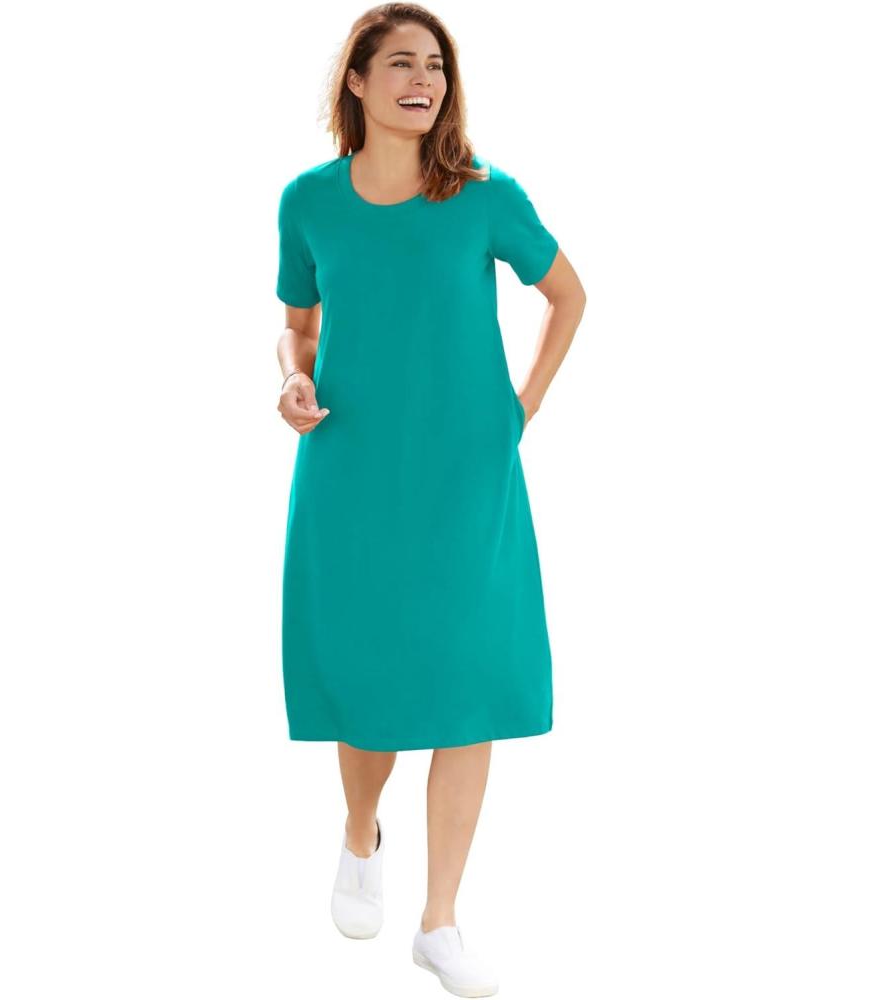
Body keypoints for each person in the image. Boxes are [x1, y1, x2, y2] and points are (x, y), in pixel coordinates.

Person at [275, 5, 586, 996]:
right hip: (351, 469)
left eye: (436, 66)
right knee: (363, 678)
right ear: (357, 81)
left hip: (466, 474)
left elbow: (569, 294)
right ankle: (361, 828)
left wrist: (521, 408)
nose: (424, 80)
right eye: (402, 63)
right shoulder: (308, 202)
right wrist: (294, 378)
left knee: (470, 681)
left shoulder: (484, 195)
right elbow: (299, 325)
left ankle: (440, 920)